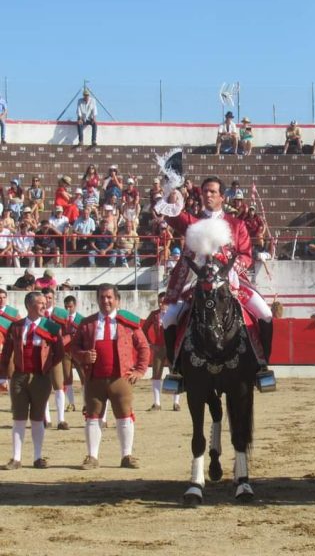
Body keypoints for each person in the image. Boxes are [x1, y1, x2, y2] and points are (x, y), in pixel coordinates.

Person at [159, 176, 273, 370]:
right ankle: (175, 367)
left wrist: (228, 270)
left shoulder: (237, 224)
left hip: (232, 281)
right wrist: (170, 190)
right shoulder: (192, 221)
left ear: (222, 197)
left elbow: (246, 256)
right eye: (205, 191)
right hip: (197, 281)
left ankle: (263, 365)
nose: (208, 195)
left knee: (266, 313)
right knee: (169, 317)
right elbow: (169, 214)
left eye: (212, 192)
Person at [71, 284, 149, 469]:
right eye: (102, 297)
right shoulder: (87, 323)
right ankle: (92, 457)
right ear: (96, 299)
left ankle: (127, 456)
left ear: (117, 299)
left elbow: (144, 347)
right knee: (92, 417)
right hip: (95, 378)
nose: (105, 301)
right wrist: (84, 356)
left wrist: (139, 371)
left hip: (120, 378)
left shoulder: (127, 322)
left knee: (124, 416)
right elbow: (74, 348)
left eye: (109, 297)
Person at [0, 291, 64, 469]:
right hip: (20, 376)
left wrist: (47, 367)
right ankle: (16, 458)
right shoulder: (17, 326)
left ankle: (37, 457)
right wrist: (3, 375)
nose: (44, 305)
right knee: (18, 418)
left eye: (45, 302)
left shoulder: (50, 326)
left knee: (37, 418)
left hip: (40, 377)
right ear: (29, 306)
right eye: (40, 303)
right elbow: (7, 353)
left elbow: (59, 353)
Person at [143, 292, 181, 412]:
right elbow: (143, 329)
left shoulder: (175, 314)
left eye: (163, 302)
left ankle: (176, 403)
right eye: (159, 302)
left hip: (172, 349)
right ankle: (157, 403)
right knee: (156, 376)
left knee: (174, 374)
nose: (161, 305)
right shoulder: (154, 315)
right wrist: (150, 344)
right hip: (159, 348)